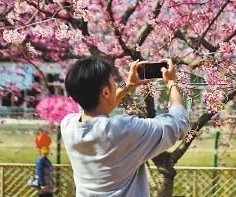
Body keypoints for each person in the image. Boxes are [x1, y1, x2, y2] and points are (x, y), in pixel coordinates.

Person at [61, 56, 189, 197]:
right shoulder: (125, 129)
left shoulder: (68, 125)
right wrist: (171, 82)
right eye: (113, 81)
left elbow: (98, 111)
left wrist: (128, 86)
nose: (116, 84)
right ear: (105, 92)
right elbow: (179, 122)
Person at [34, 130, 55, 197]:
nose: (46, 152)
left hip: (48, 186)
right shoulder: (41, 160)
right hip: (44, 187)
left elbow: (49, 173)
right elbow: (39, 172)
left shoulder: (46, 160)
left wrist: (53, 183)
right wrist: (42, 184)